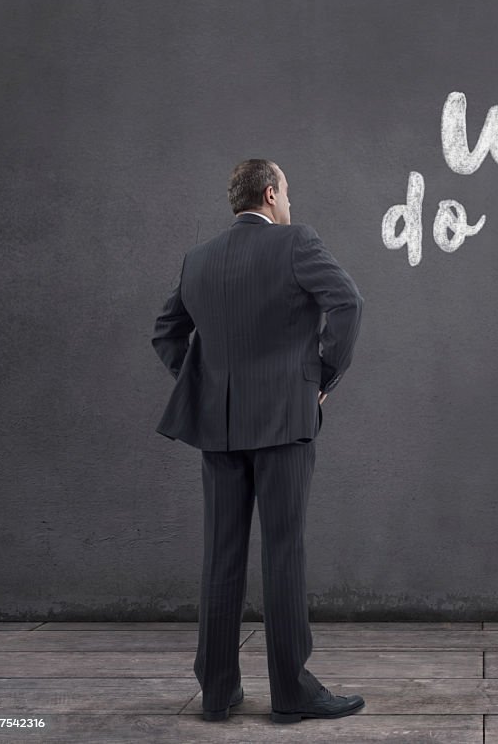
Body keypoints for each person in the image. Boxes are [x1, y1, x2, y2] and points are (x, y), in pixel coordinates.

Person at [151, 159, 365, 723]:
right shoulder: (296, 243)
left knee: (221, 558)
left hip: (219, 431)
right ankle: (292, 695)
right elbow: (348, 303)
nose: (290, 202)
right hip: (284, 424)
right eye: (287, 191)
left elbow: (166, 332)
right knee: (283, 552)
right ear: (271, 195)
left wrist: (203, 384)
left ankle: (218, 693)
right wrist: (320, 377)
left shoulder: (199, 259)